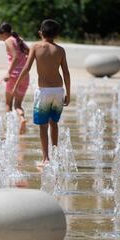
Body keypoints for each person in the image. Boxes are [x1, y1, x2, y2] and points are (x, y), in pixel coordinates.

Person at [12, 19, 71, 164]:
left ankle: (46, 158)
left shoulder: (36, 47)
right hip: (58, 89)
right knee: (54, 123)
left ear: (40, 33)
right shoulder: (60, 50)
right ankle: (56, 156)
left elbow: (26, 68)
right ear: (56, 34)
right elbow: (66, 73)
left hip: (43, 91)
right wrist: (68, 94)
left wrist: (16, 86)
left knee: (43, 126)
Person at [0, 22, 30, 134]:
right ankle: (22, 118)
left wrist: (8, 73)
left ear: (4, 33)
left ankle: (8, 129)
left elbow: (15, 57)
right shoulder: (19, 39)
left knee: (8, 104)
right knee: (18, 105)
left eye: (0, 36)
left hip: (14, 76)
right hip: (24, 75)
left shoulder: (8, 40)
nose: (0, 39)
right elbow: (29, 52)